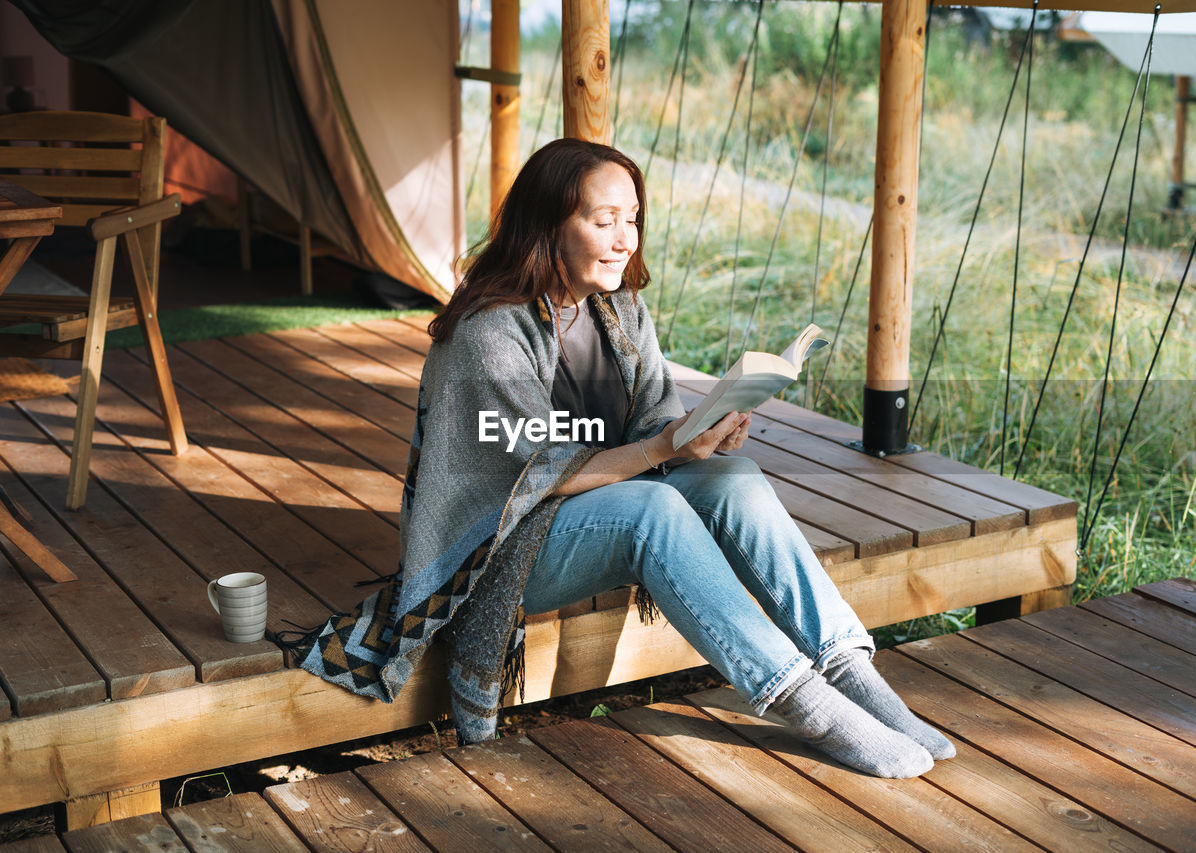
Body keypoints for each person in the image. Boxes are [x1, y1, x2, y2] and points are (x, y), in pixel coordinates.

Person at [291, 138, 953, 779]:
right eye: (603, 220)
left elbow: (654, 419)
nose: (624, 238)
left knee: (734, 478)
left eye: (631, 219)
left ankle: (851, 674)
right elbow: (529, 474)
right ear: (549, 225)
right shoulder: (490, 331)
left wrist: (707, 429)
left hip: (597, 513)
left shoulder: (621, 308)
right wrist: (665, 448)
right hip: (505, 547)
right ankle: (802, 701)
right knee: (653, 508)